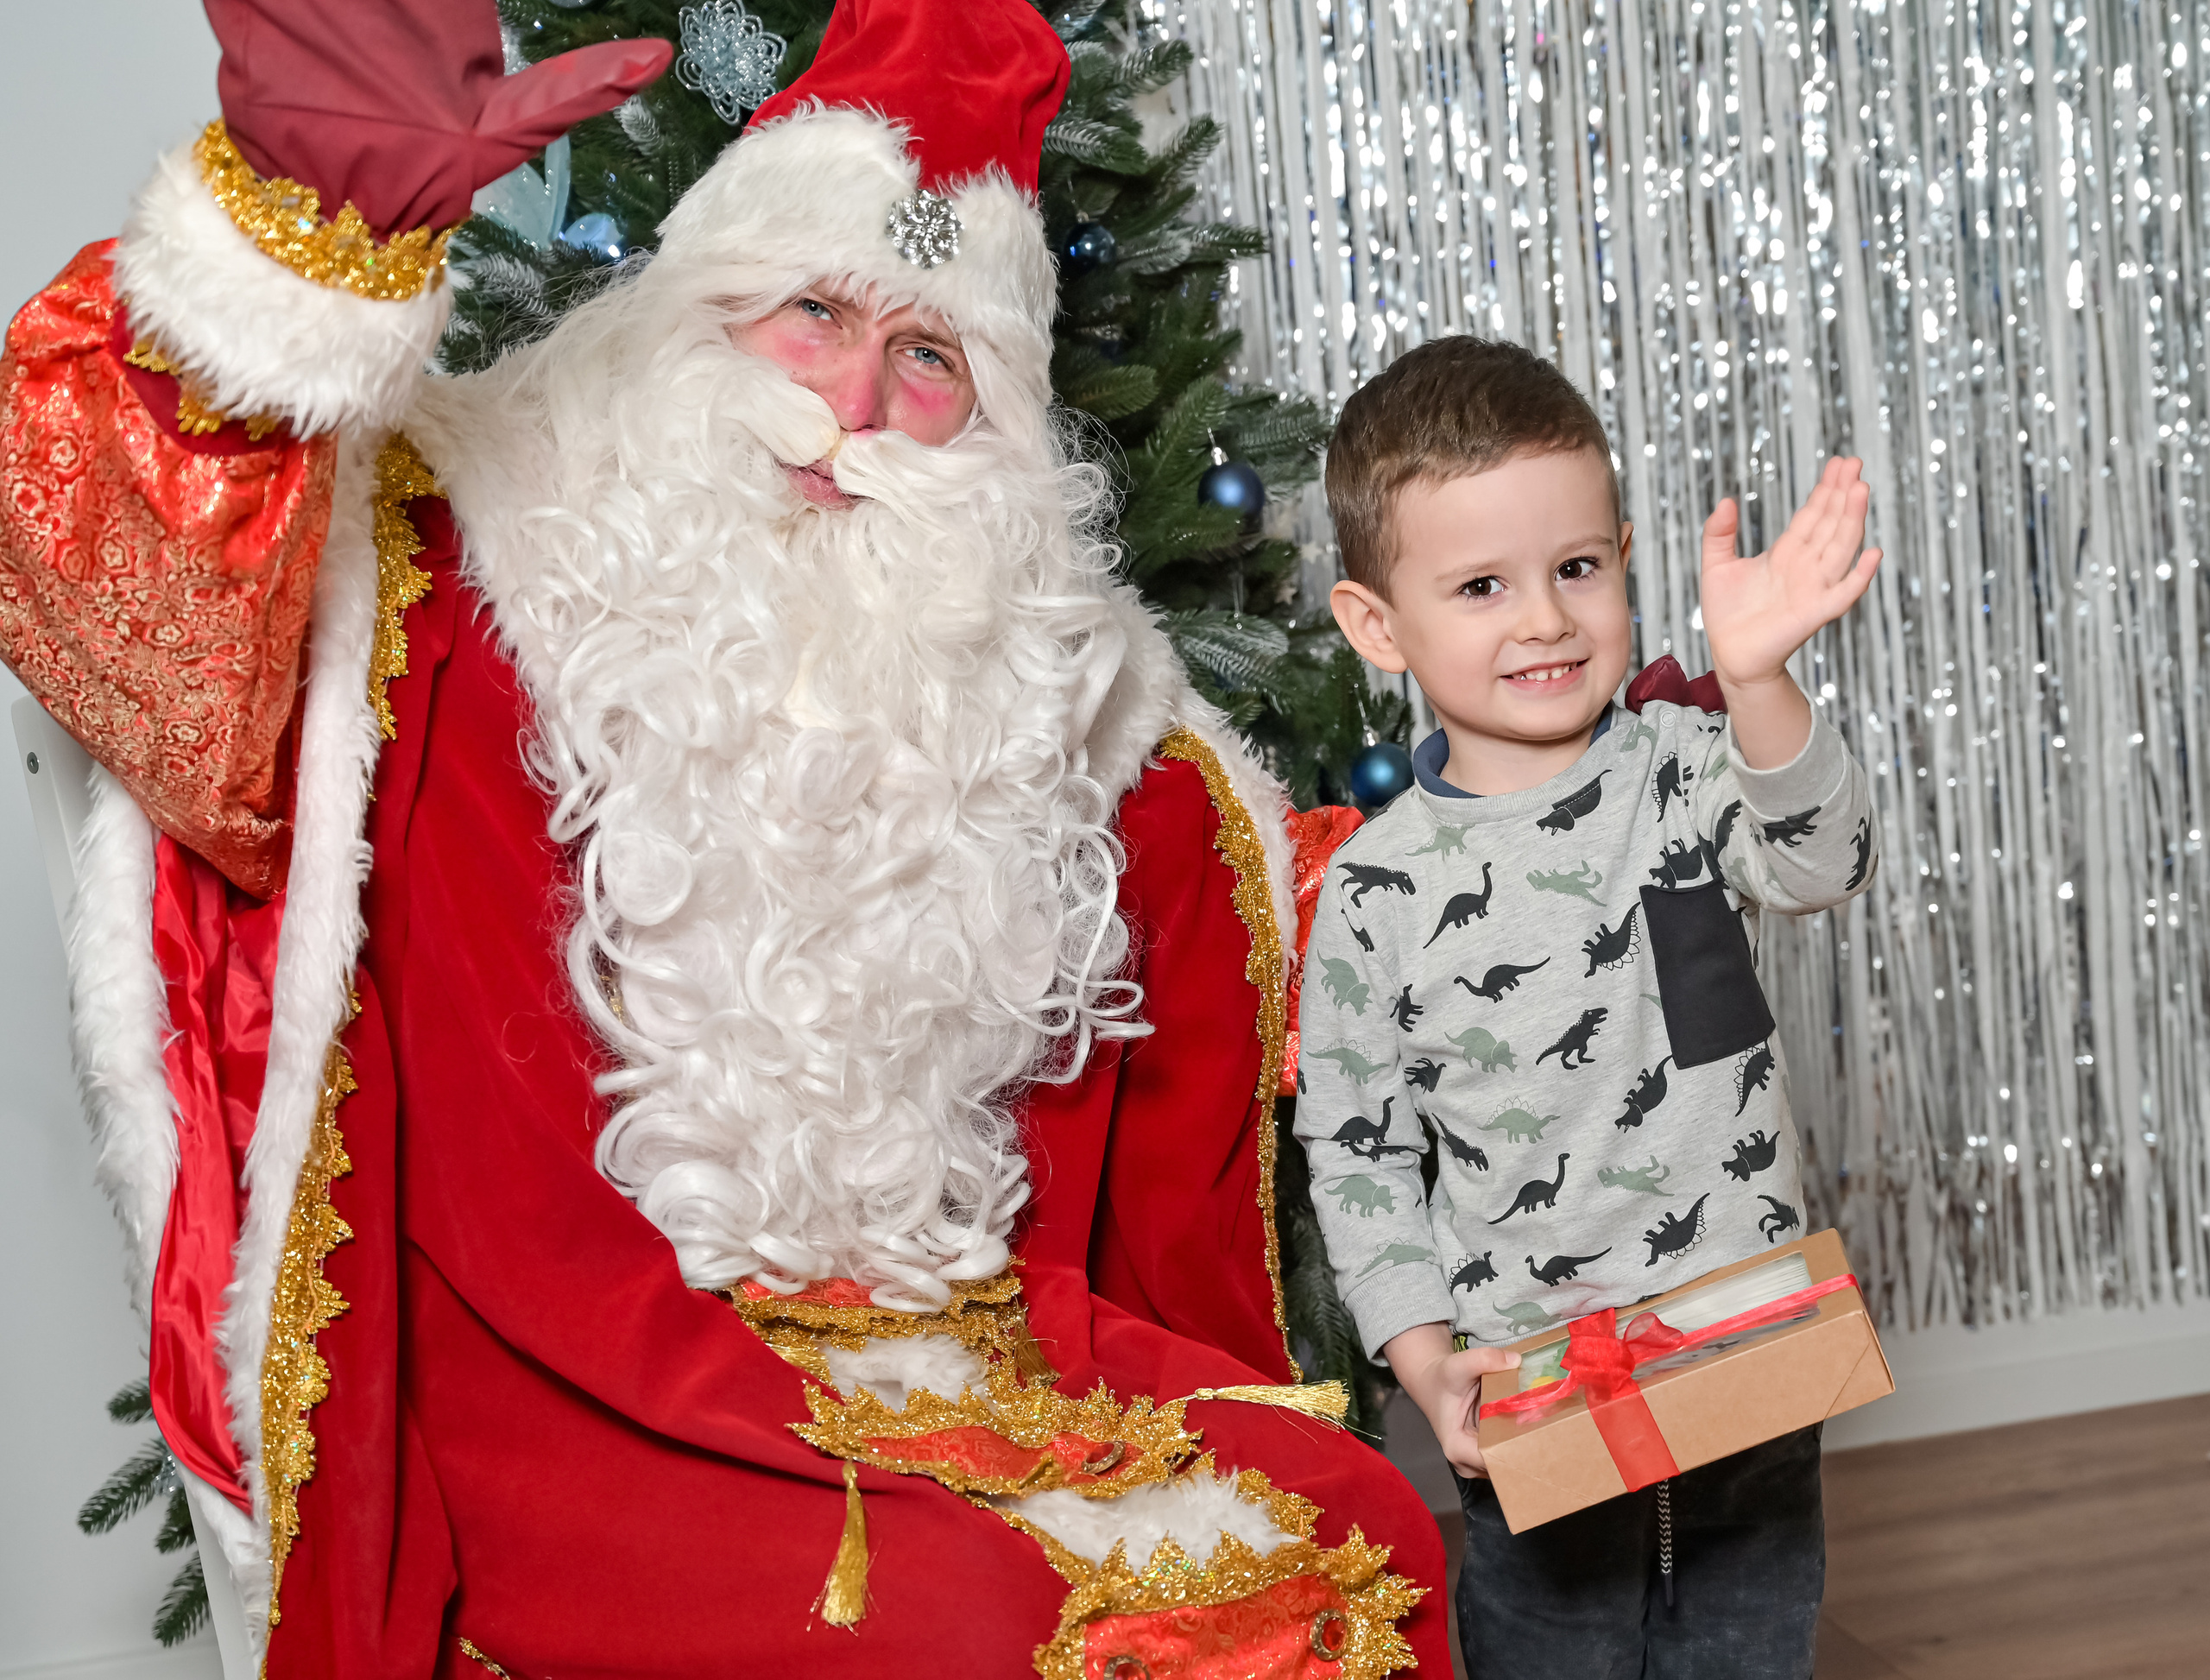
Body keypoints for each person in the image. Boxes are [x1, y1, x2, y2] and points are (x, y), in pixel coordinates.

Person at [0, 0, 1446, 1671]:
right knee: (998, 1624)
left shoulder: (1050, 699)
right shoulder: (440, 555)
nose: (852, 404)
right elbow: (101, 568)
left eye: (930, 359)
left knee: (1369, 1526)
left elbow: (1257, 907)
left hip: (962, 1336)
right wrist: (293, 247)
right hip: (564, 1384)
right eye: (813, 312)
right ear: (696, 310)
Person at [1296, 335, 1883, 1678]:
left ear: (1623, 558)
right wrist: (1421, 1355)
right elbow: (1358, 1147)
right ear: (1378, 625)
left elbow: (1822, 863)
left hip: (1744, 1339)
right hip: (1533, 1385)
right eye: (1481, 586)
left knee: (1749, 1647)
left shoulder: (1689, 768)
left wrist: (1759, 681)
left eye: (1575, 568)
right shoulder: (1376, 891)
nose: (1546, 620)